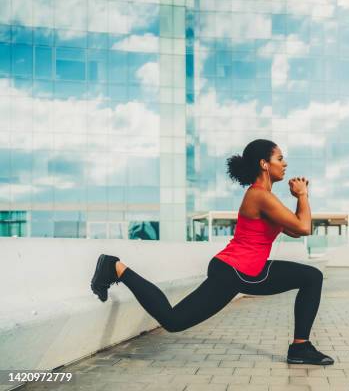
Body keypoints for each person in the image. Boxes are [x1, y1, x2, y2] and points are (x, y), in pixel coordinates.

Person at [90, 139, 334, 365]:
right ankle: (115, 267)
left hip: (250, 270)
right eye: (280, 158)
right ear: (264, 164)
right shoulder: (259, 195)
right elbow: (303, 227)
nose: (285, 164)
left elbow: (295, 229)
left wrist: (299, 201)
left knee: (312, 277)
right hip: (233, 272)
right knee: (173, 321)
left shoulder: (266, 197)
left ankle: (300, 348)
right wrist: (302, 195)